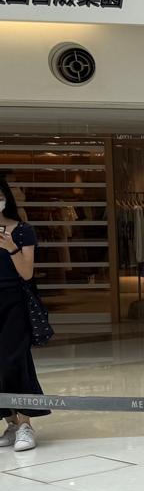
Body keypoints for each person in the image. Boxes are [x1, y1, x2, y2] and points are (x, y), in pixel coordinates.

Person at [0, 174, 48, 451]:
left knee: (15, 361)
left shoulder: (22, 231)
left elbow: (27, 273)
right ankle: (11, 422)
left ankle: (26, 425)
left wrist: (11, 248)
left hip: (14, 302)